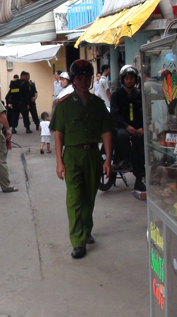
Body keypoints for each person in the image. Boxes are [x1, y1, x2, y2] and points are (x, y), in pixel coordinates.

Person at [50, 59, 116, 259]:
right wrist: (59, 162)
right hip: (71, 156)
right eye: (79, 77)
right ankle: (78, 241)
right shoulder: (64, 104)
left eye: (87, 77)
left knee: (90, 196)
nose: (83, 81)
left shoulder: (98, 104)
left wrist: (107, 159)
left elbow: (106, 132)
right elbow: (59, 134)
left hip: (92, 155)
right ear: (73, 80)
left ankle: (86, 230)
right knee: (75, 198)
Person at [110, 65, 145, 191]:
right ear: (122, 79)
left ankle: (140, 178)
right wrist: (127, 126)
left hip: (139, 129)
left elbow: (146, 112)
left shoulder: (141, 94)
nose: (129, 80)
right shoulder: (117, 95)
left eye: (131, 78)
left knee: (141, 147)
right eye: (127, 78)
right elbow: (114, 113)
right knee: (122, 136)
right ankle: (126, 160)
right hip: (122, 127)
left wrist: (142, 128)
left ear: (136, 79)